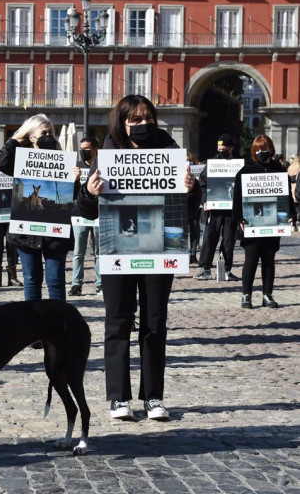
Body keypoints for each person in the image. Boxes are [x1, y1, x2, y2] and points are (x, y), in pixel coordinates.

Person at [77, 95, 199, 421]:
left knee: (154, 322)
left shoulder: (170, 152)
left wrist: (191, 189)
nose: (144, 125)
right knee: (117, 321)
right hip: (118, 249)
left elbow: (187, 208)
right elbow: (85, 208)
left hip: (159, 250)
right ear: (123, 123)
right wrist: (90, 192)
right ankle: (118, 397)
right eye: (136, 120)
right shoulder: (107, 156)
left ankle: (153, 396)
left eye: (148, 119)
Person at [0, 114, 73, 302]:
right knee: (31, 279)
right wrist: (15, 139)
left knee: (55, 281)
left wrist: (75, 180)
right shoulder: (20, 160)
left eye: (51, 132)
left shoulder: (64, 160)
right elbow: (2, 163)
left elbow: (71, 196)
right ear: (31, 137)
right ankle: (34, 323)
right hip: (26, 233)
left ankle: (57, 323)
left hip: (55, 233)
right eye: (43, 133)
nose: (48, 136)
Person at [233, 135, 296, 309]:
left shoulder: (279, 169)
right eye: (258, 149)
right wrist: (238, 217)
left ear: (271, 149)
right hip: (251, 224)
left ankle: (267, 295)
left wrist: (292, 213)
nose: (262, 152)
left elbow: (286, 197)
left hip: (272, 222)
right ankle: (246, 294)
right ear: (254, 151)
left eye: (264, 148)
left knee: (269, 259)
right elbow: (237, 197)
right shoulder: (246, 170)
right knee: (251, 259)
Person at [194, 133, 239, 281]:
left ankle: (226, 270)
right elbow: (202, 182)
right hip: (214, 208)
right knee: (209, 237)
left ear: (231, 148)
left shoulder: (239, 164)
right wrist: (205, 200)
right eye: (219, 149)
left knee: (228, 240)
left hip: (231, 210)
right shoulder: (212, 163)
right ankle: (205, 268)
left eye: (224, 148)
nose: (221, 151)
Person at [69, 137, 101, 296]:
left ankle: (100, 283)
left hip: (98, 215)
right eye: (81, 149)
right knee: (78, 252)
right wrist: (74, 181)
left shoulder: (101, 166)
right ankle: (76, 284)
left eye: (86, 149)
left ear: (95, 149)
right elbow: (71, 195)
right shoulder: (76, 167)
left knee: (99, 251)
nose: (83, 152)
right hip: (78, 215)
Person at [287, 153, 300, 230]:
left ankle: (293, 224)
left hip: (290, 185)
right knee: (297, 205)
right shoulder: (299, 167)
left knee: (292, 205)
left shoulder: (290, 167)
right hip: (296, 185)